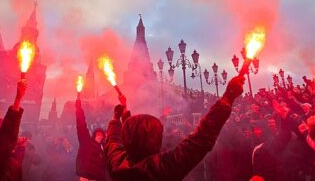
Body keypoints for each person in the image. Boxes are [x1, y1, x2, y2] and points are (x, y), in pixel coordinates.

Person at [105, 76, 245, 181]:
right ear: (154, 140)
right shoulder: (162, 168)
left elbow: (113, 140)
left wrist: (118, 117)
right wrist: (228, 97)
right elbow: (200, 139)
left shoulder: (117, 164)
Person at [75, 94, 109, 181]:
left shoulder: (103, 149)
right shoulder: (87, 143)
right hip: (87, 177)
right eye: (98, 134)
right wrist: (78, 108)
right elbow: (82, 126)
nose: (100, 137)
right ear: (94, 135)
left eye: (102, 135)